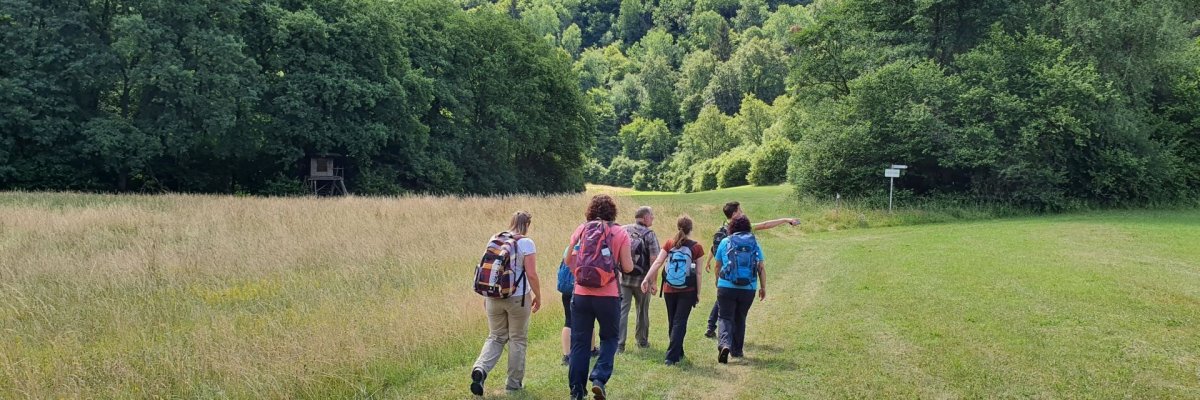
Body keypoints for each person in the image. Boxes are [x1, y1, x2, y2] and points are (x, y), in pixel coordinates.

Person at [565, 194, 635, 400]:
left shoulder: (582, 229)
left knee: (579, 342)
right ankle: (599, 379)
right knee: (610, 338)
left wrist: (579, 276)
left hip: (581, 294)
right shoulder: (619, 232)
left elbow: (568, 258)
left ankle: (577, 391)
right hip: (608, 295)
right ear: (612, 211)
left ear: (591, 210)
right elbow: (629, 267)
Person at [470, 211, 543, 396]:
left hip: (493, 297)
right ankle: (513, 384)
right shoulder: (526, 242)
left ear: (511, 222)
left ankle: (480, 369)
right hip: (517, 298)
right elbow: (532, 274)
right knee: (517, 339)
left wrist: (486, 297)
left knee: (495, 336)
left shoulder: (494, 238)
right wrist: (538, 296)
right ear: (527, 224)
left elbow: (489, 272)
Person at [703, 201, 798, 338]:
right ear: (735, 213)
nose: (742, 212)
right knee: (730, 306)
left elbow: (716, 246)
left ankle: (711, 326)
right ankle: (725, 335)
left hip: (724, 273)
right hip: (741, 274)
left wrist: (708, 262)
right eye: (740, 210)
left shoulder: (722, 228)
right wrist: (785, 220)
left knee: (724, 299)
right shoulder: (744, 227)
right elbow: (765, 225)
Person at [640, 215, 705, 366]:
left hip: (669, 288)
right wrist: (698, 293)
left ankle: (678, 351)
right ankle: (672, 356)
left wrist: (646, 278)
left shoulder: (670, 243)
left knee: (673, 320)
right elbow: (699, 273)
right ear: (691, 229)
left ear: (678, 227)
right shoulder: (697, 247)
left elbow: (658, 262)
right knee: (680, 321)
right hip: (687, 289)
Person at [713, 215, 766, 363]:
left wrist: (718, 281)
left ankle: (724, 344)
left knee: (724, 317)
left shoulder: (725, 241)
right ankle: (737, 351)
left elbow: (717, 265)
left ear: (732, 227)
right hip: (748, 288)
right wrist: (763, 287)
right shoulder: (754, 242)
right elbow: (761, 267)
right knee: (740, 317)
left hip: (726, 286)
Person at [618, 206, 658, 352]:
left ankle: (619, 344)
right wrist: (653, 282)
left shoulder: (623, 230)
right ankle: (641, 341)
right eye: (651, 215)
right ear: (645, 217)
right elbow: (655, 259)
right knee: (642, 311)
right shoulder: (650, 234)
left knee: (622, 311)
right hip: (643, 281)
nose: (653, 218)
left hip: (624, 280)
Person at [558, 246, 599, 366]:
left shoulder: (569, 247)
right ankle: (591, 350)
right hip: (582, 289)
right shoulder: (590, 247)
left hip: (567, 289)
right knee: (589, 318)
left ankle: (567, 355)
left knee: (568, 321)